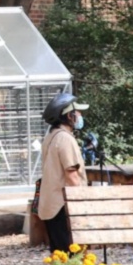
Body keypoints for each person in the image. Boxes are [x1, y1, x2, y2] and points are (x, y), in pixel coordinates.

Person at [36, 92, 89, 254]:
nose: (80, 116)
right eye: (77, 112)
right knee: (72, 254)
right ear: (69, 116)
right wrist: (82, 202)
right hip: (63, 205)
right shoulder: (65, 139)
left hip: (51, 204)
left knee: (59, 255)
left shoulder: (51, 136)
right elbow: (71, 175)